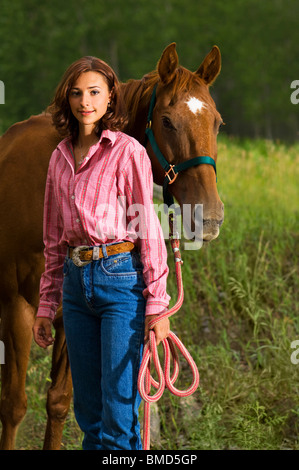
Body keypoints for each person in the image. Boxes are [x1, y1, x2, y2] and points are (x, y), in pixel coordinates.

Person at [32, 56, 171, 450]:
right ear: (67, 100)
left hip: (120, 280)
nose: (85, 101)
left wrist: (156, 305)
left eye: (94, 92)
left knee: (117, 412)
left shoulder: (128, 153)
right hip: (76, 287)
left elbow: (148, 228)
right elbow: (54, 240)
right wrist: (45, 306)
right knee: (89, 413)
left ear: (110, 97)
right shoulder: (59, 158)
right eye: (76, 93)